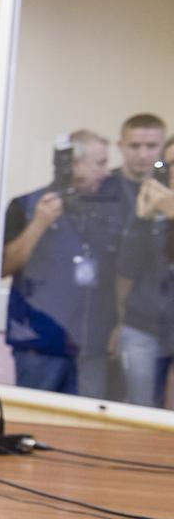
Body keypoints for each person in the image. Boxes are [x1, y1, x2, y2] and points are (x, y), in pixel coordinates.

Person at [1, 129, 124, 397]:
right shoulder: (27, 205)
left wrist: (119, 325)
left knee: (89, 433)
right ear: (75, 164)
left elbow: (120, 272)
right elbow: (4, 267)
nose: (107, 172)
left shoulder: (109, 208)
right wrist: (40, 223)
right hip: (40, 345)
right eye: (100, 163)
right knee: (35, 426)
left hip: (93, 345)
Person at [114, 134, 174, 407]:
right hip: (144, 327)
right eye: (168, 164)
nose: (172, 171)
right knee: (140, 411)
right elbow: (127, 268)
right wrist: (142, 220)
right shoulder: (157, 210)